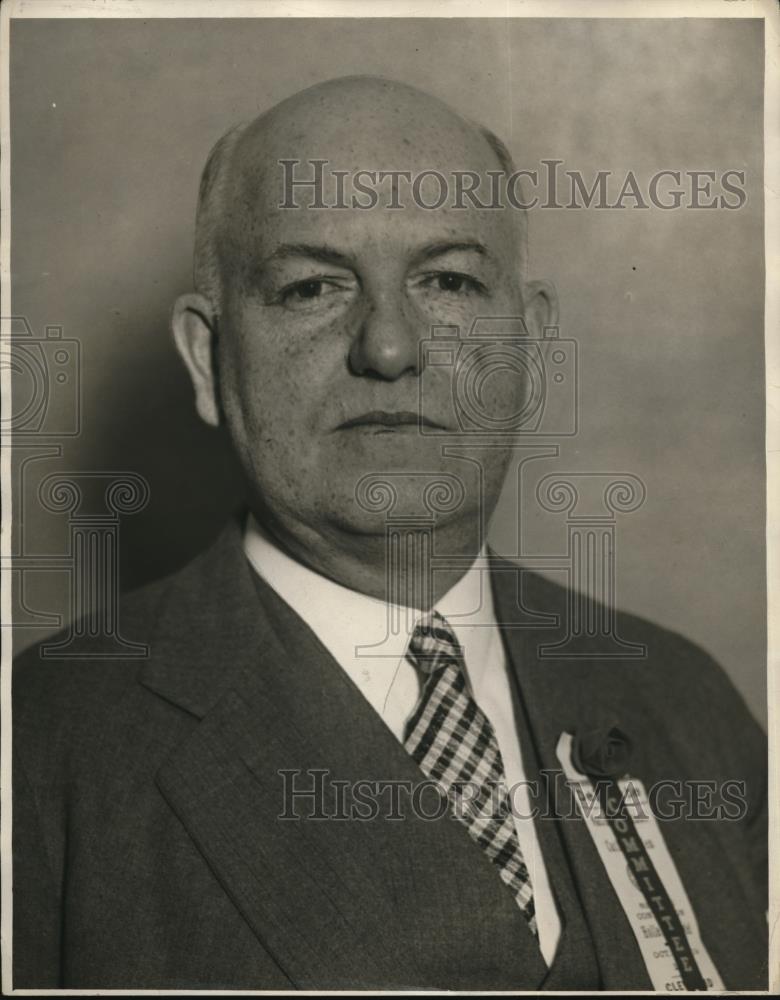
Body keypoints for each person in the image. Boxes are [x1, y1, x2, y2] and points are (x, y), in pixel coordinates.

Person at [12, 76, 767, 991]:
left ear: (529, 348)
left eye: (447, 280)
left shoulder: (687, 707)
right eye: (312, 287)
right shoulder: (40, 751)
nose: (391, 347)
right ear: (210, 359)